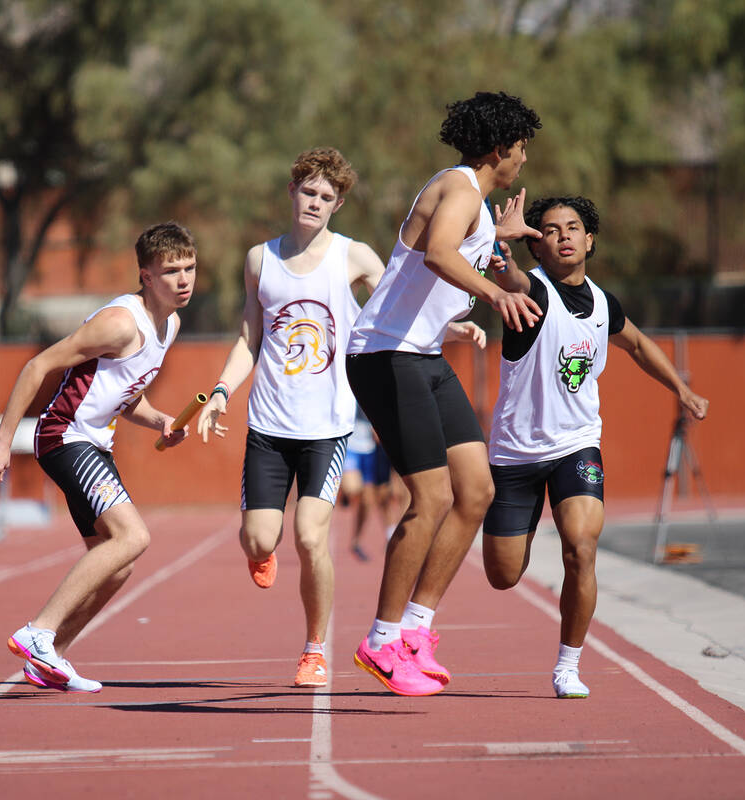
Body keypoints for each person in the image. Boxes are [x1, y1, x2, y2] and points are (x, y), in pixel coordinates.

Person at [345, 91, 542, 696]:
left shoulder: (475, 204)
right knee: (429, 498)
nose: (525, 160)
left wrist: (496, 236)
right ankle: (379, 641)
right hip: (384, 355)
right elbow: (437, 253)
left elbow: (457, 247)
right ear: (498, 149)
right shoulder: (458, 187)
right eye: (521, 148)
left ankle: (416, 629)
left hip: (421, 357)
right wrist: (494, 292)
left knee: (476, 490)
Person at [481, 195, 709, 699]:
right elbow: (509, 279)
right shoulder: (533, 291)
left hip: (576, 446)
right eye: (549, 229)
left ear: (590, 239)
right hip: (516, 455)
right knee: (502, 575)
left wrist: (682, 390)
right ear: (537, 245)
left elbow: (641, 345)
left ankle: (568, 665)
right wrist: (502, 245)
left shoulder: (606, 305)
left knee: (581, 548)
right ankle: (520, 531)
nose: (563, 235)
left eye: (572, 227)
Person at [194, 147, 400, 688]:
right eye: (308, 191)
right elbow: (248, 335)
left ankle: (314, 649)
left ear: (338, 204)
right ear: (292, 192)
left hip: (327, 429)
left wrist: (453, 325)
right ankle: (260, 552)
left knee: (311, 538)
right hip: (268, 426)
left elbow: (400, 308)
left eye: (326, 197)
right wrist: (219, 392)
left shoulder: (353, 257)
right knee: (260, 539)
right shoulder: (260, 259)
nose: (315, 202)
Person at [0, 222, 200, 693]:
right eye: (170, 272)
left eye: (190, 268)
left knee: (117, 562)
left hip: (95, 440)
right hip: (65, 436)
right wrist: (3, 440)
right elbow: (37, 365)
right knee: (133, 536)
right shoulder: (120, 323)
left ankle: (50, 657)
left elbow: (123, 393)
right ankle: (37, 631)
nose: (183, 280)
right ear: (145, 275)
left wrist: (160, 419)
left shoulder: (171, 324)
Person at [340, 405, 406, 562]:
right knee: (354, 489)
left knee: (373, 499)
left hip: (371, 446)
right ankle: (360, 538)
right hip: (351, 442)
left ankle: (380, 537)